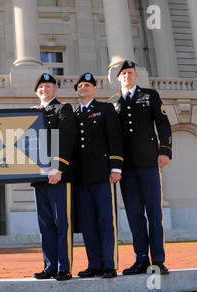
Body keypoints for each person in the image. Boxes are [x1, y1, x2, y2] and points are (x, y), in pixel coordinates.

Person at [115, 60, 172, 275]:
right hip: (127, 168)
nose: (127, 76)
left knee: (154, 213)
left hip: (149, 163)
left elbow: (163, 123)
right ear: (118, 78)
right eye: (123, 74)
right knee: (134, 214)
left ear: (136, 75)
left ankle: (157, 260)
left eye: (130, 73)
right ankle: (141, 259)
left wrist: (164, 150)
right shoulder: (114, 103)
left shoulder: (150, 95)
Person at [73, 73, 123, 279]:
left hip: (103, 174)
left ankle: (109, 264)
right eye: (80, 85)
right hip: (81, 177)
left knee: (105, 219)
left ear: (94, 88)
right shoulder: (74, 115)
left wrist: (116, 167)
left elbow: (115, 137)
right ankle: (94, 264)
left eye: (87, 85)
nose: (83, 88)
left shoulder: (105, 109)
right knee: (87, 223)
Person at [32, 73, 76, 281]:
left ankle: (63, 267)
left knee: (61, 223)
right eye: (41, 87)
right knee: (45, 224)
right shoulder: (34, 114)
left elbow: (65, 139)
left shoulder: (62, 109)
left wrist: (59, 168)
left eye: (48, 86)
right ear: (36, 92)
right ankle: (49, 266)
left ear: (55, 90)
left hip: (58, 176)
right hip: (39, 176)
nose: (44, 90)